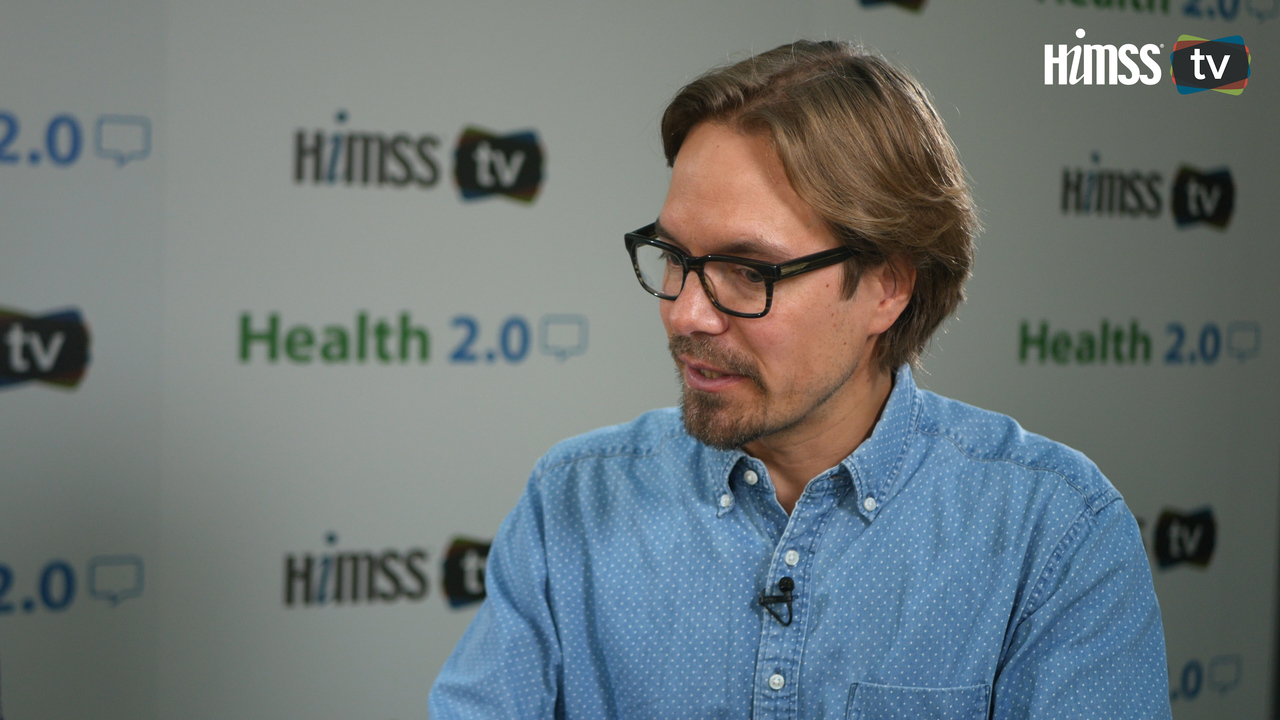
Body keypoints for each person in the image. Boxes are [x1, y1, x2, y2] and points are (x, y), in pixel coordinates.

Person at [429, 40, 1170, 719]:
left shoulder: (1055, 535)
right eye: (674, 256)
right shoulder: (571, 503)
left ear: (888, 287)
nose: (686, 313)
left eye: (749, 271)